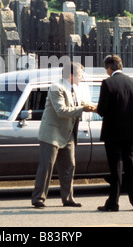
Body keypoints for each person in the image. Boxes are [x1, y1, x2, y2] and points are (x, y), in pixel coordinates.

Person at [32, 62, 95, 208]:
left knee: (69, 166)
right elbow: (61, 111)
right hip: (52, 134)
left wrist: (99, 107)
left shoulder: (75, 89)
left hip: (67, 134)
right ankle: (38, 198)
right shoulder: (57, 88)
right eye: (80, 75)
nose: (82, 78)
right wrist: (83, 109)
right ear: (71, 76)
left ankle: (68, 198)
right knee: (47, 166)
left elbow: (84, 103)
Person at [96, 55, 133, 212]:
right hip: (130, 131)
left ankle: (113, 202)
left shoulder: (107, 83)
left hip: (113, 132)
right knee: (132, 166)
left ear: (109, 68)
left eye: (106, 69)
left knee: (115, 168)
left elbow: (102, 110)